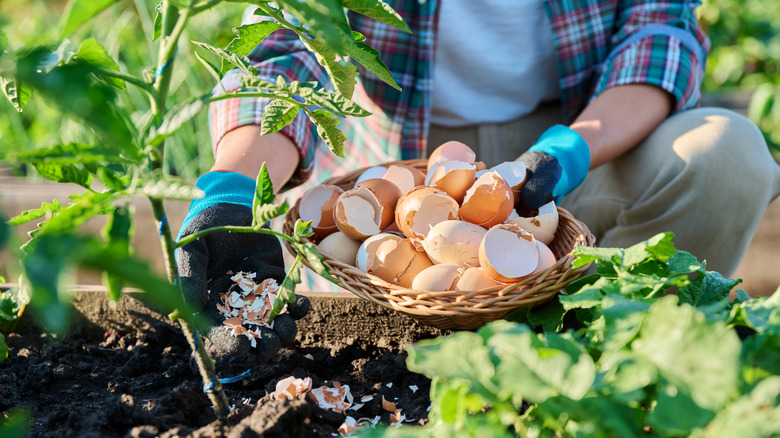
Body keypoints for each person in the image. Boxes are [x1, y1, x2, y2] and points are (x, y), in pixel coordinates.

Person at [177, 0, 780, 356]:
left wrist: (569, 149)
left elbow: (659, 33)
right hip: (396, 169)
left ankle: (629, 364)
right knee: (373, 328)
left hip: (584, 138)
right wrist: (233, 186)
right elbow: (289, 47)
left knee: (726, 156)